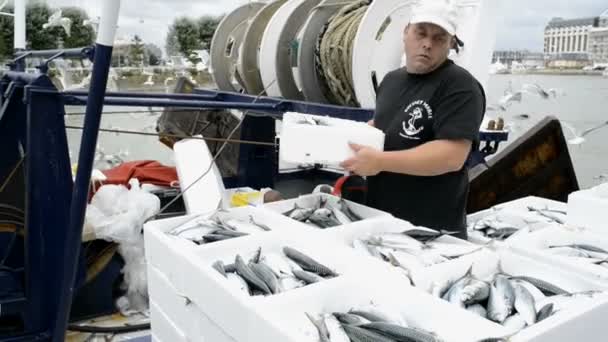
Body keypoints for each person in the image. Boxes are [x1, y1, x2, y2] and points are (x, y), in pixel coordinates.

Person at [340, 0, 486, 239]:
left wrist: (380, 161)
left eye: (439, 38)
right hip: (382, 224)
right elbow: (387, 127)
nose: (427, 44)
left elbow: (451, 157)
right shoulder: (390, 81)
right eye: (421, 33)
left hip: (431, 232)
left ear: (451, 43)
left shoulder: (461, 86)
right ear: (406, 32)